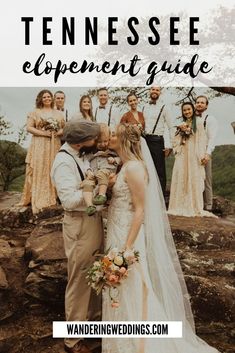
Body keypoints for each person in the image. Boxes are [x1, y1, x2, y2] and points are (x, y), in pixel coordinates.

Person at [102, 123, 220, 353]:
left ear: (125, 140)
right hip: (116, 231)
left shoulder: (135, 168)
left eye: (115, 134)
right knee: (118, 286)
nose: (110, 137)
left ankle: (139, 344)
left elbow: (140, 210)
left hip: (127, 236)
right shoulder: (125, 166)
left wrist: (127, 248)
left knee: (132, 285)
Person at [51, 120, 103, 353]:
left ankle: (91, 328)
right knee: (80, 280)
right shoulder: (63, 162)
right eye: (94, 139)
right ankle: (72, 341)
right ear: (82, 140)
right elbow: (69, 201)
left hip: (90, 221)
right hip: (79, 224)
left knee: (93, 277)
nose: (96, 142)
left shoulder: (79, 156)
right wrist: (89, 187)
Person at [19, 89, 64, 214]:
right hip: (39, 143)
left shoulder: (58, 113)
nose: (47, 98)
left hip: (54, 143)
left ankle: (54, 195)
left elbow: (64, 129)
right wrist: (45, 133)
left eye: (49, 96)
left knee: (53, 166)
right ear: (40, 99)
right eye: (44, 97)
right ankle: (37, 195)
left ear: (52, 98)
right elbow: (29, 128)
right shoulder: (35, 112)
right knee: (40, 167)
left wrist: (55, 133)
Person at [168, 102, 216, 217]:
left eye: (189, 109)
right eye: (184, 110)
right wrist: (181, 132)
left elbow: (202, 139)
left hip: (194, 154)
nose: (187, 112)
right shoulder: (182, 124)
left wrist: (201, 155)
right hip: (183, 154)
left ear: (193, 110)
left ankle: (193, 204)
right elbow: (175, 141)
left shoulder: (198, 123)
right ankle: (179, 204)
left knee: (193, 178)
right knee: (182, 176)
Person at [80, 123, 120, 216]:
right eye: (99, 142)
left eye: (105, 141)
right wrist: (89, 170)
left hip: (106, 173)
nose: (103, 144)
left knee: (102, 174)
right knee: (87, 183)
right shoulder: (90, 152)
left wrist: (114, 160)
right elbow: (85, 162)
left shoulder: (112, 150)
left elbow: (121, 158)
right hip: (94, 174)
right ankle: (89, 205)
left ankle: (102, 195)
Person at [142, 86, 175, 196]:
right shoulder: (144, 106)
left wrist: (170, 145)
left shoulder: (165, 107)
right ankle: (147, 195)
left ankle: (160, 197)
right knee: (145, 167)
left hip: (157, 140)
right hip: (144, 140)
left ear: (160, 92)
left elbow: (171, 127)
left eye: (157, 90)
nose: (154, 91)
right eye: (152, 89)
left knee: (159, 170)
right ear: (149, 91)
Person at [195, 95, 218, 211]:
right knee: (195, 178)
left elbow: (211, 138)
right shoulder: (191, 118)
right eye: (198, 102)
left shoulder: (210, 119)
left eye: (202, 102)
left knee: (206, 179)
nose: (199, 104)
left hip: (204, 151)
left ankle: (208, 205)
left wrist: (208, 154)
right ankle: (197, 203)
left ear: (206, 105)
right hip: (193, 152)